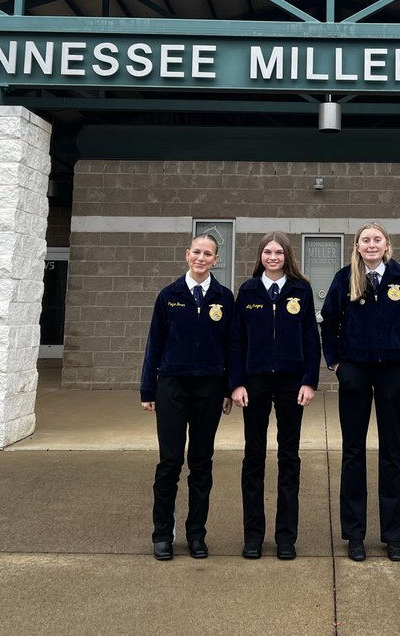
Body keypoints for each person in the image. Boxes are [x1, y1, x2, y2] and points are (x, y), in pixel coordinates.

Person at [320, 222, 400, 562]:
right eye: (365, 240)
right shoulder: (344, 278)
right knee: (353, 452)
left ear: (387, 244)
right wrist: (337, 365)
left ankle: (393, 536)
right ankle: (355, 535)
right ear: (357, 245)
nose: (371, 244)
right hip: (355, 374)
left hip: (392, 374)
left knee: (390, 454)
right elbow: (329, 324)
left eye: (376, 239)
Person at [140, 233, 234, 562]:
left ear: (216, 260)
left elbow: (231, 348)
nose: (202, 258)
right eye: (197, 252)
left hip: (209, 388)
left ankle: (196, 534)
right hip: (172, 387)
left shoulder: (224, 298)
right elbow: (155, 343)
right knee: (169, 463)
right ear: (187, 255)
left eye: (208, 254)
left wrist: (227, 389)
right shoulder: (169, 296)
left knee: (201, 463)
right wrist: (148, 389)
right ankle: (163, 534)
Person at [229, 232, 321, 561]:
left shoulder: (301, 291)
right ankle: (253, 536)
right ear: (260, 256)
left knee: (288, 459)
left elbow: (311, 337)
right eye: (267, 252)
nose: (272, 256)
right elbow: (237, 340)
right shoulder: (249, 291)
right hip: (253, 383)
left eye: (278, 252)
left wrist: (309, 381)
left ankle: (286, 538)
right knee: (253, 458)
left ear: (287, 257)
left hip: (290, 383)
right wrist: (236, 383)